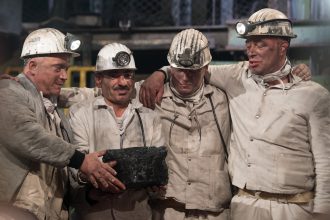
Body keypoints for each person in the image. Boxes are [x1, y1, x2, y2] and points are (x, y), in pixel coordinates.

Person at [140, 8, 330, 220]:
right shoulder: (236, 76)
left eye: (261, 44)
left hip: (294, 207)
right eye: (248, 43)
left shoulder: (313, 95)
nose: (251, 50)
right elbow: (192, 66)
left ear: (283, 46)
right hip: (244, 204)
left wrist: (323, 210)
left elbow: (325, 162)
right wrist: (161, 73)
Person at [0, 28, 125, 220]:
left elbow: (59, 175)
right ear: (32, 66)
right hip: (15, 212)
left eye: (66, 68)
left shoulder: (54, 109)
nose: (65, 76)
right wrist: (81, 160)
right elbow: (28, 136)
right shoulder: (8, 91)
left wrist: (88, 195)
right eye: (58, 68)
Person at [68, 43, 165, 220]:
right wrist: (90, 177)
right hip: (94, 212)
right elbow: (75, 165)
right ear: (98, 79)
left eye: (128, 75)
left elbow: (158, 163)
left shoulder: (149, 117)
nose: (123, 82)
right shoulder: (81, 113)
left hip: (138, 212)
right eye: (114, 75)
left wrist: (156, 183)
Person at [147, 28, 232, 220]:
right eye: (178, 70)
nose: (184, 78)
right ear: (170, 67)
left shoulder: (224, 99)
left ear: (206, 68)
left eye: (192, 71)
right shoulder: (152, 95)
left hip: (214, 210)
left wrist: (295, 73)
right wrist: (64, 93)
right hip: (168, 208)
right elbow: (107, 93)